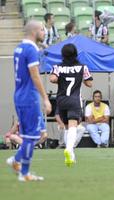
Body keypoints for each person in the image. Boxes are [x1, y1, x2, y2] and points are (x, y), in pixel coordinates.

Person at [6, 20, 52, 182]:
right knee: (32, 137)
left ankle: (16, 161)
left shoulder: (19, 48)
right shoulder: (31, 49)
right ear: (34, 32)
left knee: (31, 135)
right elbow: (35, 75)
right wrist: (45, 98)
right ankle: (24, 173)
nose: (44, 32)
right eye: (41, 29)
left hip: (20, 95)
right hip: (28, 97)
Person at [49, 43, 93, 167]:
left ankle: (71, 154)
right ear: (75, 54)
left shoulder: (57, 67)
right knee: (73, 125)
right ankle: (69, 149)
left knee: (67, 127)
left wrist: (61, 78)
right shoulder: (82, 67)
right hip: (74, 99)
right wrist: (80, 78)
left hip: (61, 100)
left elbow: (52, 79)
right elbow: (89, 83)